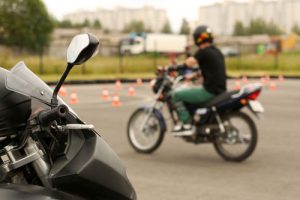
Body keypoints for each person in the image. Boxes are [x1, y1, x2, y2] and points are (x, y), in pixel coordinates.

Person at [171, 25, 227, 136]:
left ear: (198, 38)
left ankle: (186, 125)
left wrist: (174, 67)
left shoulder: (203, 51)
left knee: (176, 95)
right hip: (220, 90)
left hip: (210, 91)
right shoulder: (217, 52)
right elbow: (211, 70)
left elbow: (189, 63)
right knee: (190, 90)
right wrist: (192, 76)